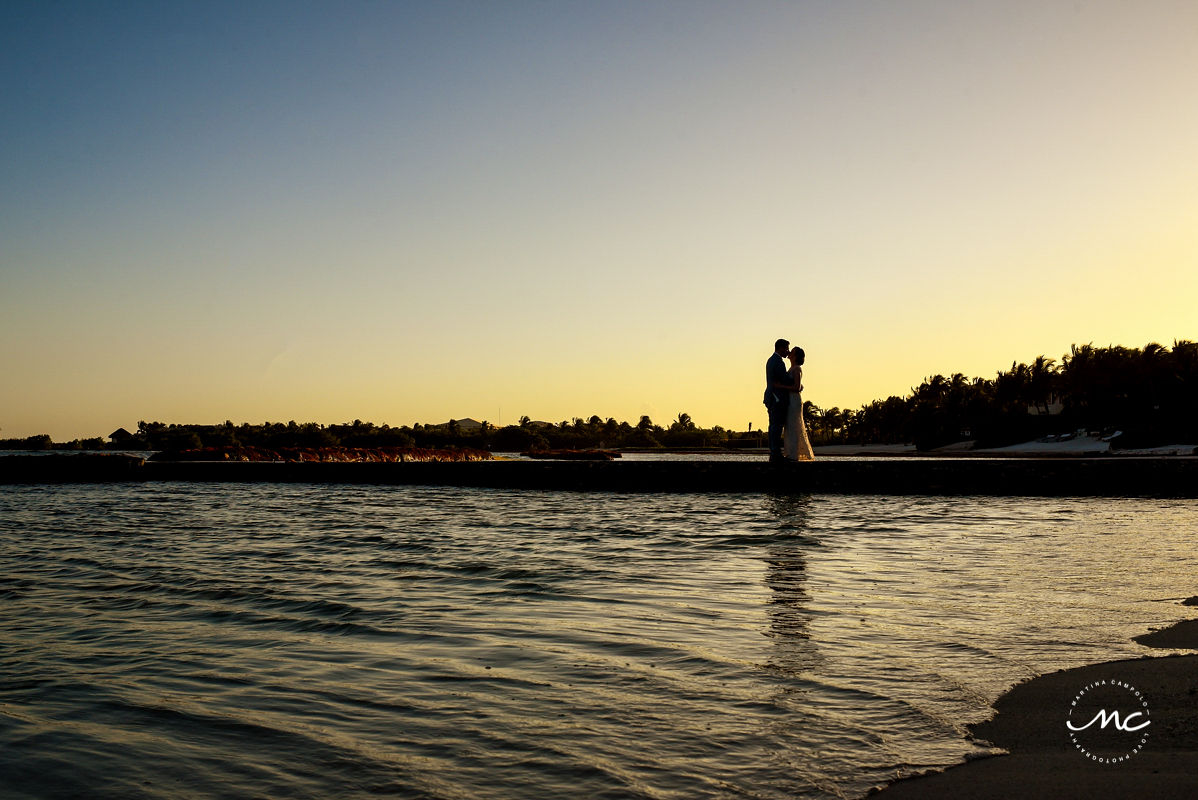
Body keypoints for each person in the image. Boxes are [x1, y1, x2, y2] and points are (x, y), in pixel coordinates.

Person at [764, 338, 795, 462]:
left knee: (773, 426)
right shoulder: (778, 362)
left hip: (771, 397)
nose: (787, 352)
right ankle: (776, 454)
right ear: (780, 348)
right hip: (777, 398)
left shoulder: (771, 360)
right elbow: (785, 379)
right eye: (786, 348)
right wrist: (794, 380)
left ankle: (774, 453)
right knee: (777, 426)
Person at [784, 346, 815, 461]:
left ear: (795, 356)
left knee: (794, 425)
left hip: (794, 400)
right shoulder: (792, 368)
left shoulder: (796, 369)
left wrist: (781, 387)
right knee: (790, 425)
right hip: (790, 399)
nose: (789, 352)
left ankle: (794, 455)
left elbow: (797, 387)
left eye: (792, 351)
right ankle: (791, 453)